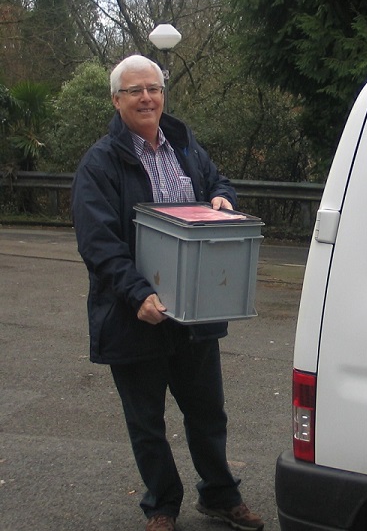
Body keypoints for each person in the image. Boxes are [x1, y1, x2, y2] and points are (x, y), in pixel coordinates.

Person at [71, 55, 264, 531]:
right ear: (116, 100)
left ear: (163, 94)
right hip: (136, 312)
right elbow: (99, 244)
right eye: (134, 90)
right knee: (147, 422)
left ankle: (220, 495)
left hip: (194, 311)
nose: (146, 98)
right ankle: (161, 505)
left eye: (153, 88)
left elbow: (218, 181)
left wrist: (224, 199)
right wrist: (138, 295)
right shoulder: (100, 163)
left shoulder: (184, 146)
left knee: (207, 413)